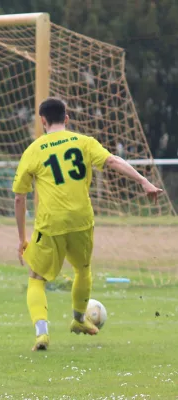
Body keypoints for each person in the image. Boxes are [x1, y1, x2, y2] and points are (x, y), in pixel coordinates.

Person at [12, 97, 163, 351]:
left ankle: (42, 334)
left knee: (36, 278)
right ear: (67, 119)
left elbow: (19, 197)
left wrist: (21, 238)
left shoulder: (34, 150)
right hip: (82, 220)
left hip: (51, 223)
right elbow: (113, 161)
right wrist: (143, 181)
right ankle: (79, 319)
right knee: (83, 270)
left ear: (43, 121)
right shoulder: (84, 142)